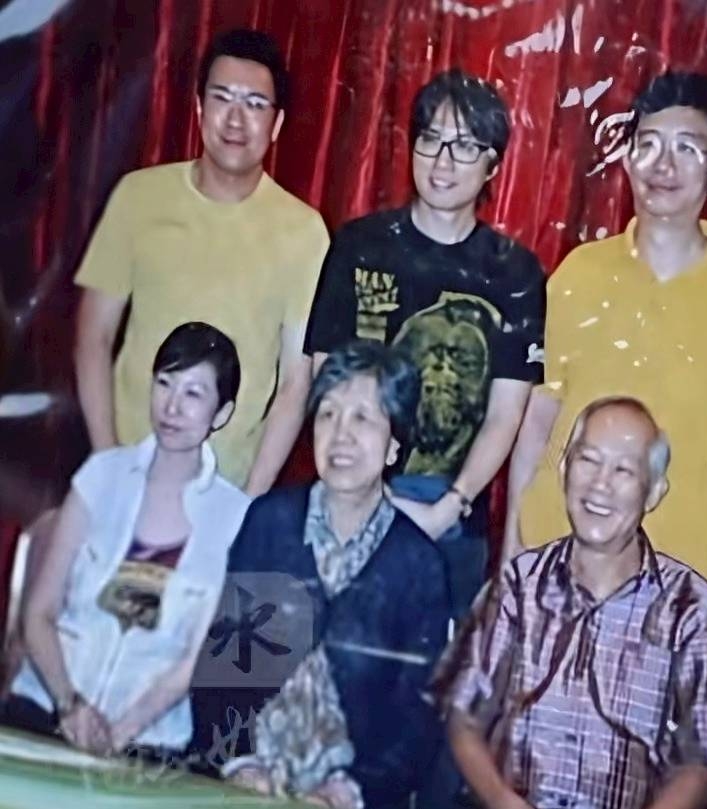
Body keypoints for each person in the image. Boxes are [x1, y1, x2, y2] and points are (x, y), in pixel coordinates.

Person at [505, 71, 707, 614]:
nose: (663, 165)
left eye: (686, 149)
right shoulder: (579, 273)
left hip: (673, 588)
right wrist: (511, 563)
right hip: (553, 557)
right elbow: (539, 421)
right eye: (648, 144)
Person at [303, 68, 546, 617]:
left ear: (493, 165)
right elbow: (325, 379)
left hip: (450, 520)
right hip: (349, 499)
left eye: (465, 147)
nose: (442, 161)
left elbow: (506, 414)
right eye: (430, 140)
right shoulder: (360, 246)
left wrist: (450, 507)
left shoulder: (515, 274)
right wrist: (364, 494)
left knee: (432, 668)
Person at [436, 397, 707, 809]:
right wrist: (501, 800)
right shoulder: (517, 585)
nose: (600, 484)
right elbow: (463, 716)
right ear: (564, 469)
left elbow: (702, 760)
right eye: (588, 461)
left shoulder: (694, 611)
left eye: (623, 470)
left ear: (654, 492)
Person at [195, 341, 452, 809]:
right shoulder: (269, 522)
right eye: (328, 414)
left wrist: (349, 791)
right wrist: (239, 762)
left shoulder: (418, 564)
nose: (340, 435)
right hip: (246, 785)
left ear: (394, 445)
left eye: (362, 418)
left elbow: (418, 714)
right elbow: (221, 667)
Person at [74, 28, 329, 493]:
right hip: (126, 468)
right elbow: (94, 336)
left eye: (254, 104)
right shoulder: (138, 197)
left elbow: (297, 381)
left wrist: (250, 497)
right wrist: (107, 461)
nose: (236, 119)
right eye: (222, 98)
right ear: (198, 107)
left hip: (226, 487)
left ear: (276, 124)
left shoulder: (305, 232)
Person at [2, 322, 248, 756]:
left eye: (193, 393)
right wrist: (70, 704)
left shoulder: (235, 519)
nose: (172, 406)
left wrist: (120, 733)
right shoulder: (101, 477)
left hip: (148, 739)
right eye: (164, 383)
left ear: (222, 413)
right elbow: (39, 613)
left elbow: (196, 662)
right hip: (49, 706)